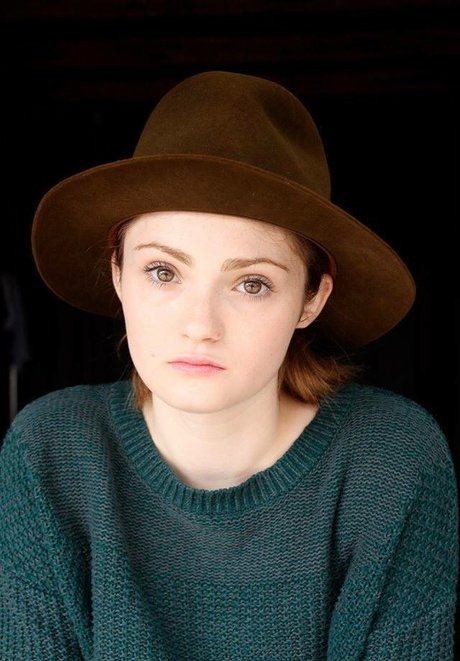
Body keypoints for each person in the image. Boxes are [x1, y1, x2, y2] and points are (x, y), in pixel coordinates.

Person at [0, 70, 457, 660]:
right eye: (163, 271)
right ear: (118, 275)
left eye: (251, 283)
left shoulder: (392, 461)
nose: (200, 325)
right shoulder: (49, 453)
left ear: (311, 298)